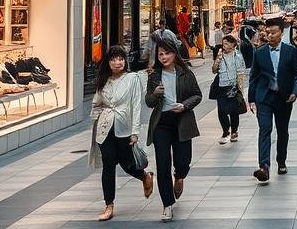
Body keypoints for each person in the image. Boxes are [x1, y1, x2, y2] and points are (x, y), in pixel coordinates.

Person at [89, 45, 154, 222]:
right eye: (114, 59)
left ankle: (144, 176)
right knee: (108, 165)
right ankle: (108, 205)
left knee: (126, 163)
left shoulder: (132, 78)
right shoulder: (103, 79)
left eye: (121, 59)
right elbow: (96, 102)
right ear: (108, 62)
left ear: (125, 61)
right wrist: (96, 121)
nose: (118, 62)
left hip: (124, 127)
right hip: (105, 128)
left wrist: (135, 132)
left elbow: (136, 105)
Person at [144, 36, 200, 222]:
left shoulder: (185, 73)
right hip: (162, 123)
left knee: (183, 161)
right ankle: (167, 204)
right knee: (162, 164)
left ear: (175, 53)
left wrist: (184, 106)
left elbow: (197, 95)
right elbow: (149, 102)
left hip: (182, 121)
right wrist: (155, 94)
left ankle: (180, 176)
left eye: (167, 53)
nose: (164, 57)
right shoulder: (154, 75)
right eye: (160, 54)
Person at [246, 18, 297, 182]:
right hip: (264, 97)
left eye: (274, 32)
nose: (270, 35)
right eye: (268, 32)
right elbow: (253, 77)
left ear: (281, 33)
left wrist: (295, 91)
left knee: (282, 130)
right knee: (264, 129)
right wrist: (251, 99)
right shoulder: (260, 52)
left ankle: (281, 160)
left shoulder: (290, 51)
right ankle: (264, 166)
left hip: (284, 98)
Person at [212, 34, 247, 144]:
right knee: (221, 110)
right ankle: (225, 130)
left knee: (233, 110)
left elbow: (241, 73)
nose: (224, 45)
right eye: (223, 43)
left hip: (233, 86)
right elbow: (213, 70)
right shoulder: (220, 55)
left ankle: (234, 131)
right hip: (221, 86)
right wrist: (218, 59)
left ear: (233, 45)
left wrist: (241, 90)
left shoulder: (237, 56)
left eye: (226, 43)